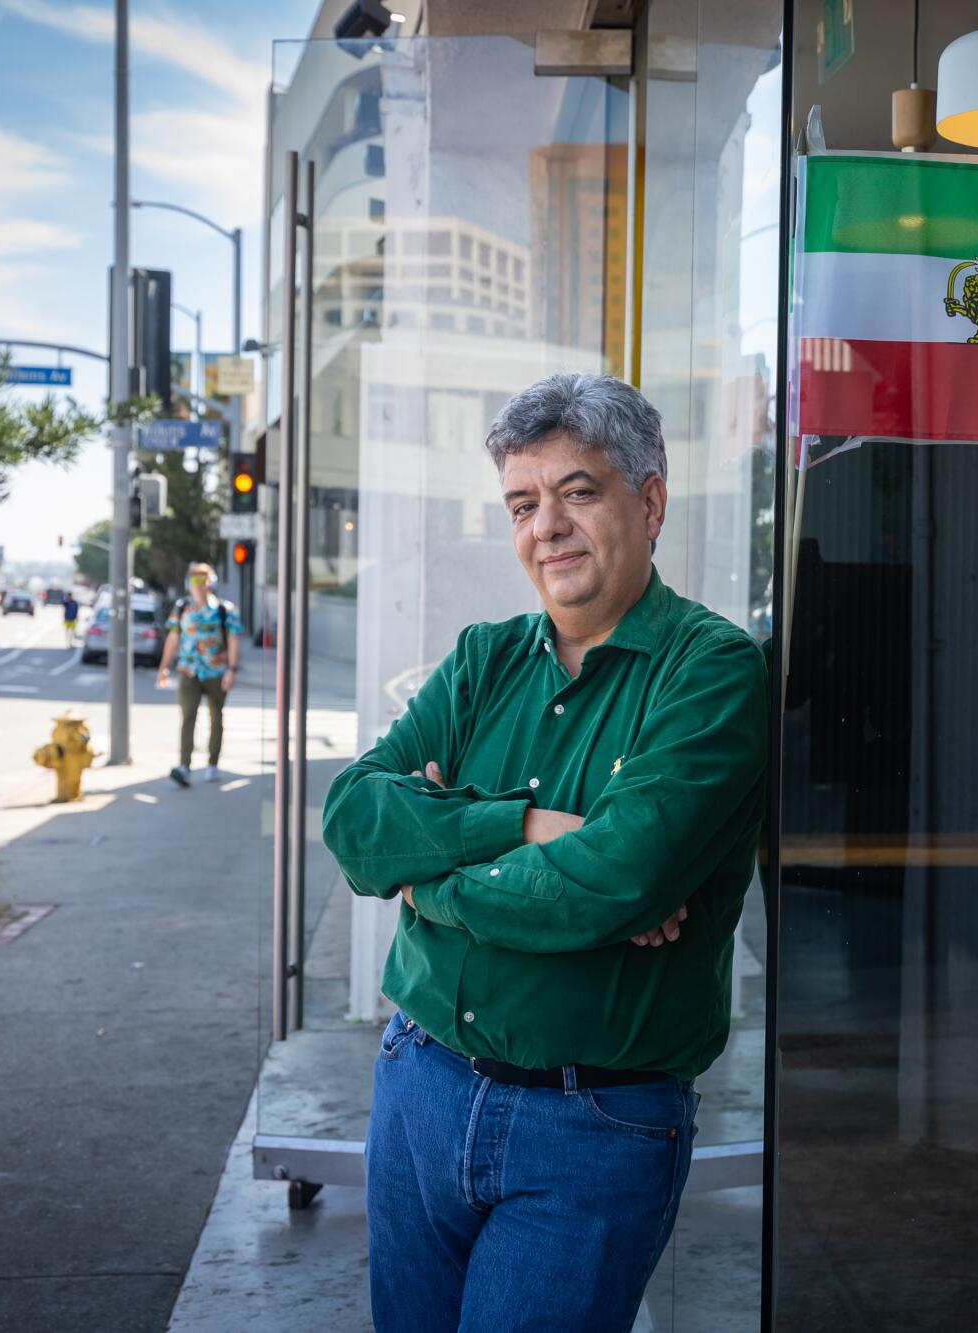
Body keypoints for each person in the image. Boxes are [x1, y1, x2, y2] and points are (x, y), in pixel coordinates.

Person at [321, 374, 767, 1333]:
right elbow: (354, 819)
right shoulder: (484, 658)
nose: (547, 527)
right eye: (523, 504)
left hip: (591, 1128)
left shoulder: (712, 670)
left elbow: (614, 879)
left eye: (578, 491)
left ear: (649, 502)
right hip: (419, 1087)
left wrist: (427, 882)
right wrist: (525, 826)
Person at [156, 562, 242, 787]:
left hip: (216, 672)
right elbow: (173, 638)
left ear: (211, 583)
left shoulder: (224, 610)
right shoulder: (182, 608)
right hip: (189, 671)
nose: (199, 585)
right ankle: (184, 765)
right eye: (194, 580)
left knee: (216, 717)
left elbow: (233, 640)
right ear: (188, 583)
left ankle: (212, 763)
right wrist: (164, 667)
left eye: (203, 580)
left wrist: (232, 670)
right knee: (188, 717)